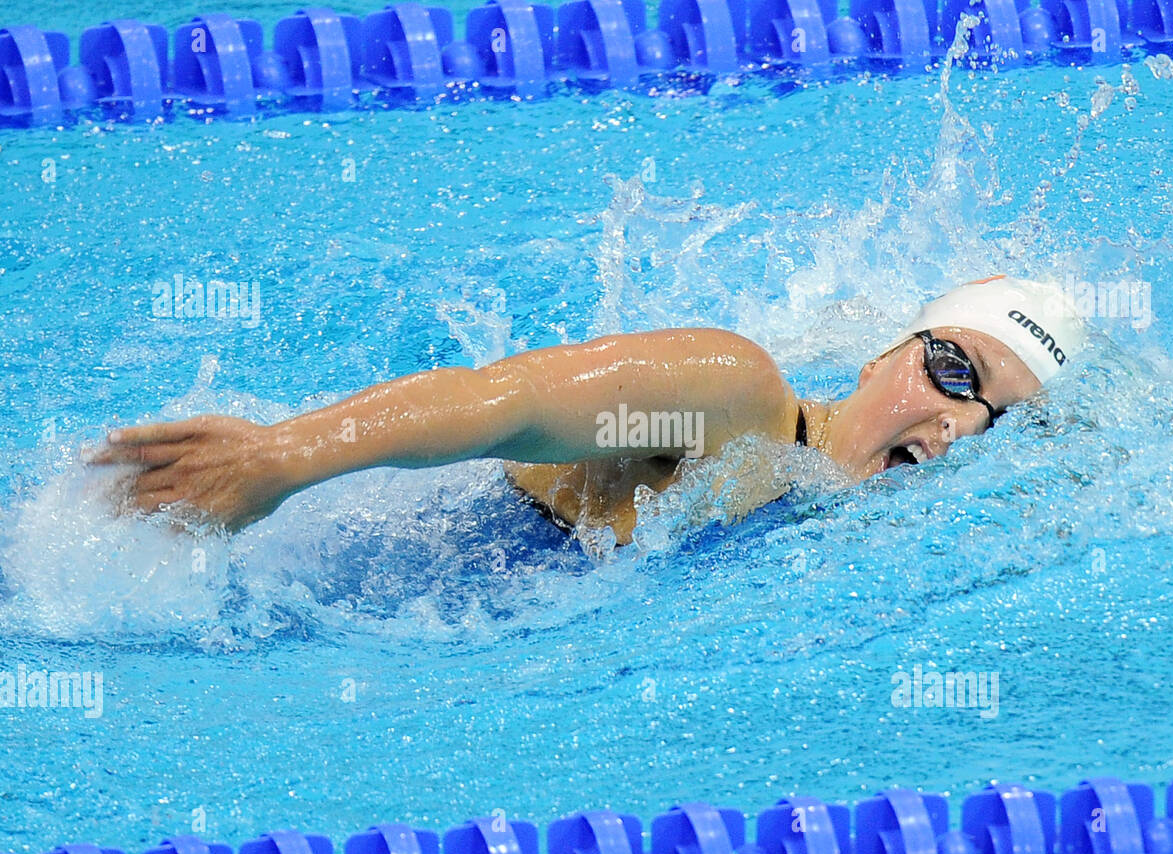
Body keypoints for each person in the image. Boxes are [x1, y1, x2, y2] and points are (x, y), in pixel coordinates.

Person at [89, 275, 1086, 545]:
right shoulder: (738, 390)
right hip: (350, 553)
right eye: (953, 370)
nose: (954, 420)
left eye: (994, 414)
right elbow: (504, 398)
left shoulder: (834, 525)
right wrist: (284, 456)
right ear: (882, 355)